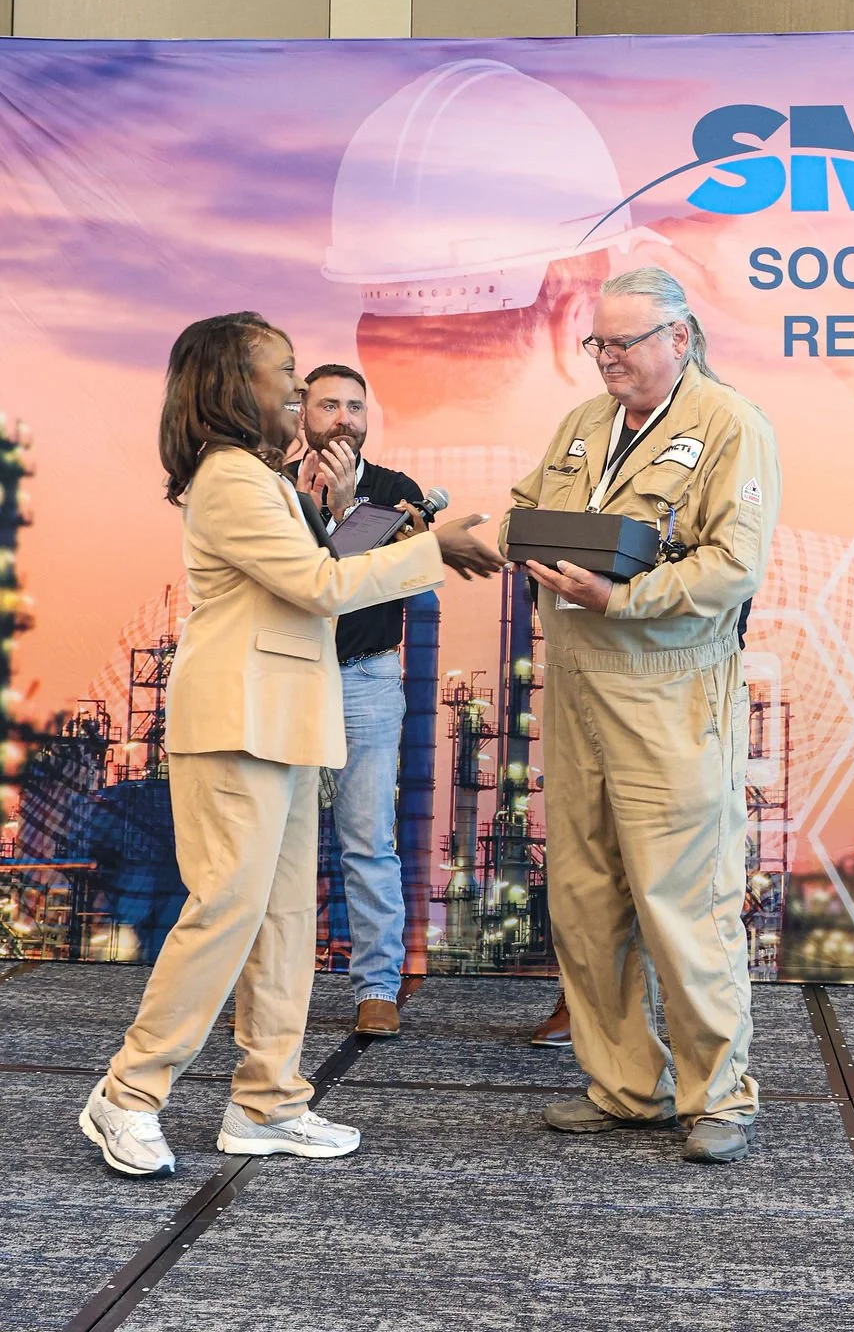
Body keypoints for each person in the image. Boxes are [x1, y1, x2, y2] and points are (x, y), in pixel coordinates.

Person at [78, 310, 502, 1179]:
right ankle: (127, 1093)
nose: (297, 390)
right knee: (226, 914)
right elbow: (316, 587)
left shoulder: (259, 477)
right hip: (236, 726)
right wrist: (429, 549)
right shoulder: (230, 477)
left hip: (275, 724)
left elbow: (309, 578)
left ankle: (267, 1102)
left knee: (282, 922)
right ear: (236, 386)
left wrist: (353, 523)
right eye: (285, 373)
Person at [500, 266, 781, 1163]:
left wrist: (621, 597)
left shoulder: (731, 425)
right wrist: (512, 537)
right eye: (598, 344)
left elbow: (732, 568)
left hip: (669, 689)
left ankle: (719, 1097)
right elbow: (526, 504)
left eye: (624, 344)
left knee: (683, 899)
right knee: (583, 896)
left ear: (680, 339)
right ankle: (626, 1086)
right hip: (578, 684)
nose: (607, 360)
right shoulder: (583, 424)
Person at [289, 362, 425, 1038]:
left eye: (354, 406)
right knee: (280, 847)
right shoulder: (271, 485)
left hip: (366, 678)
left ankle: (378, 988)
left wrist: (343, 510)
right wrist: (314, 503)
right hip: (286, 677)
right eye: (328, 405)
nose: (342, 417)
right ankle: (272, 992)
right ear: (301, 413)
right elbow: (290, 580)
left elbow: (371, 577)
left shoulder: (396, 492)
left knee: (367, 842)